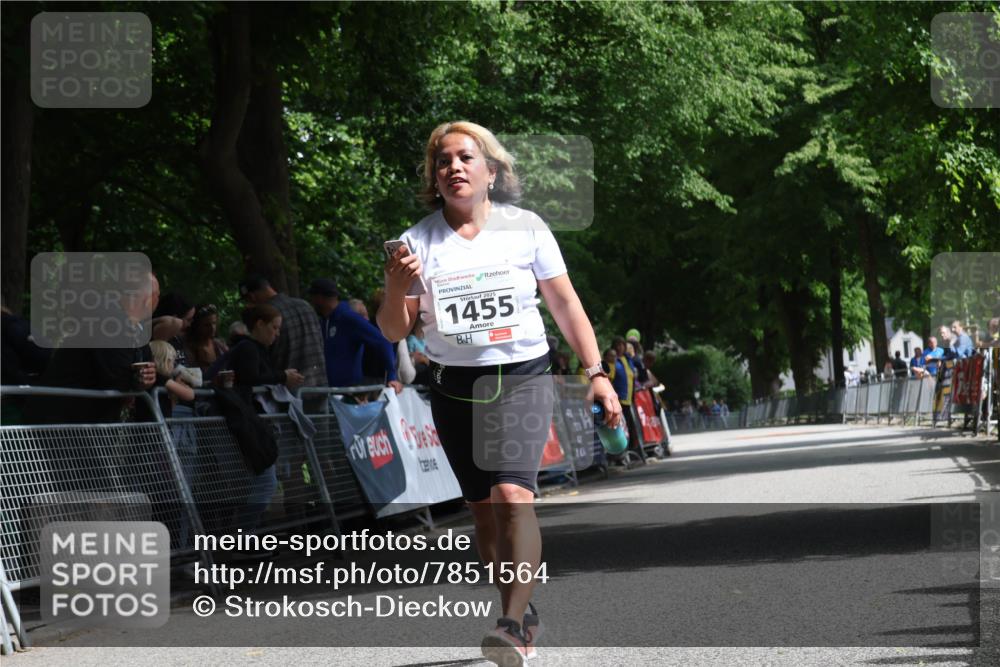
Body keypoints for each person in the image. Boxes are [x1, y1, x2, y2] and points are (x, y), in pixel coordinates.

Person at [376, 121, 621, 665]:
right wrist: (395, 287)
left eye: (466, 158)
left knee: (513, 496)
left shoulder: (525, 227)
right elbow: (394, 329)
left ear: (491, 170)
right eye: (443, 161)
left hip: (522, 376)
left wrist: (597, 372)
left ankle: (511, 625)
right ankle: (520, 607)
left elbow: (565, 305)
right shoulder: (416, 242)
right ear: (433, 177)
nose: (454, 168)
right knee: (484, 513)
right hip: (454, 387)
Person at [25, 271, 159, 424]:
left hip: (83, 422)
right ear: (148, 300)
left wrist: (147, 378)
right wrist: (137, 383)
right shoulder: (109, 321)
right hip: (61, 421)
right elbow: (116, 378)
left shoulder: (134, 329)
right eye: (157, 295)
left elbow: (145, 366)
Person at [228, 304, 305, 530]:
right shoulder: (247, 349)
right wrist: (282, 377)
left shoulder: (258, 350)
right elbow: (250, 377)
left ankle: (247, 534)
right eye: (274, 328)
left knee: (263, 482)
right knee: (265, 483)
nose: (277, 334)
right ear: (259, 325)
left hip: (256, 425)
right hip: (250, 425)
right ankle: (243, 534)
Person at [307, 278, 403, 393]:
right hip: (329, 392)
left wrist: (392, 376)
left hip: (350, 393)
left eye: (312, 297)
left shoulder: (349, 318)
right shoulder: (324, 321)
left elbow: (384, 341)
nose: (311, 301)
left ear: (319, 298)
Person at [239, 275, 327, 390]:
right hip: (319, 386)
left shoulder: (268, 315)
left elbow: (262, 357)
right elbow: (320, 342)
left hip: (287, 391)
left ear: (252, 297)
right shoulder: (306, 305)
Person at [185, 303, 228, 375]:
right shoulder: (190, 348)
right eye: (207, 325)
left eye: (214, 323)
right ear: (197, 325)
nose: (212, 328)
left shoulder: (220, 346)